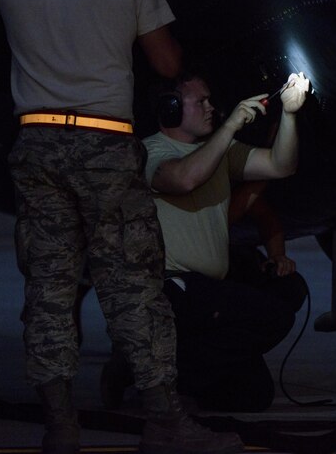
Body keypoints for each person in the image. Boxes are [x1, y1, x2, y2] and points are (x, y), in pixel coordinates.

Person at [0, 0, 243, 453]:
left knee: (49, 288)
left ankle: (61, 426)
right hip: (105, 144)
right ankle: (165, 422)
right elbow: (169, 66)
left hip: (38, 144)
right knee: (133, 286)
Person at [124, 70, 310, 411]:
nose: (212, 108)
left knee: (253, 396)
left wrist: (290, 115)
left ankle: (167, 376)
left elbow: (281, 166)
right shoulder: (148, 151)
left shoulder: (221, 151)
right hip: (172, 290)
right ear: (171, 108)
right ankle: (156, 378)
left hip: (208, 290)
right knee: (273, 317)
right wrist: (230, 127)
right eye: (201, 102)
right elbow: (184, 179)